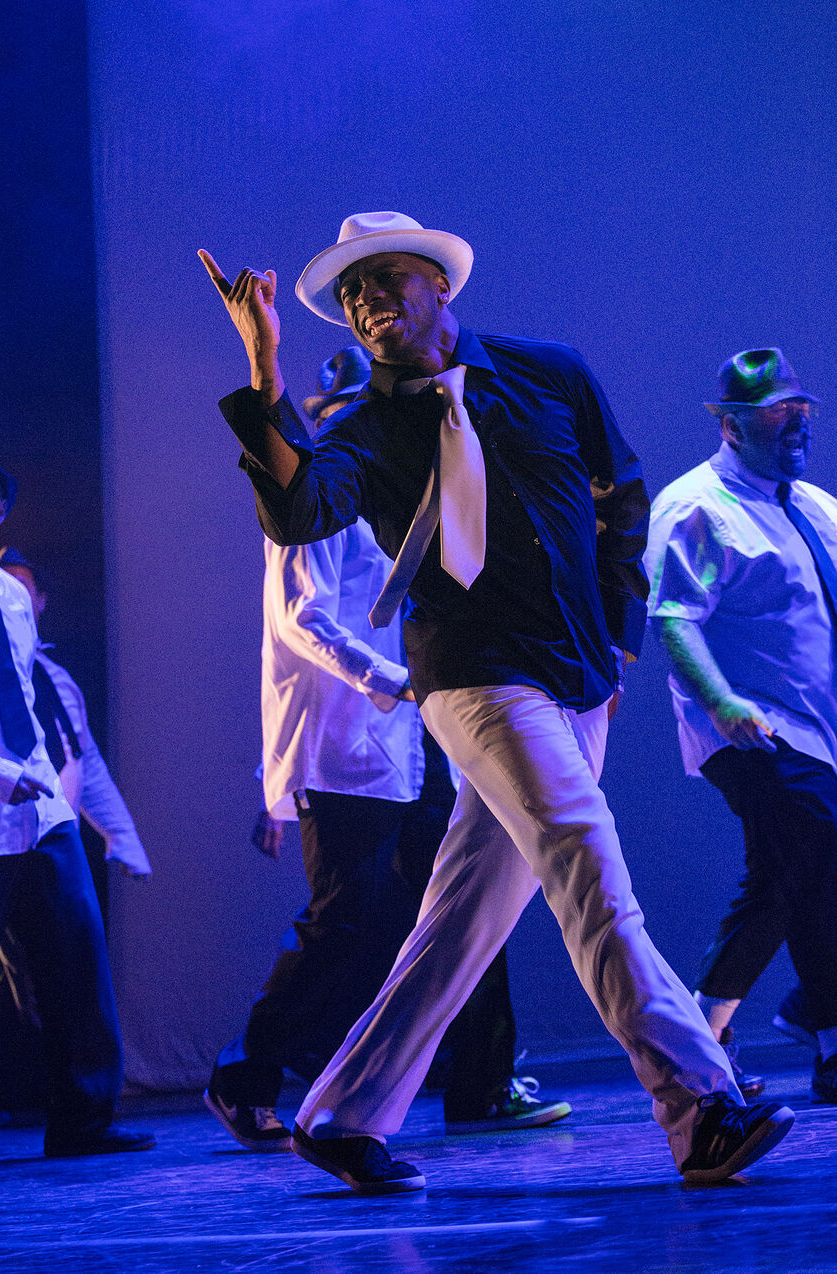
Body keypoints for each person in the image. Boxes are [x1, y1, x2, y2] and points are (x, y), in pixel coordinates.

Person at [198, 211, 793, 1192]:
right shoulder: (367, 428)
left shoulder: (548, 371)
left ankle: (340, 1113)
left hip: (578, 679)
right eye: (352, 294)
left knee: (462, 917)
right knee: (589, 868)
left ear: (441, 285)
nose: (369, 301)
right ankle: (701, 1104)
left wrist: (619, 631)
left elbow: (623, 492)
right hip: (475, 680)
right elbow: (299, 508)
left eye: (386, 278)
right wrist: (262, 362)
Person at [204, 348, 568, 1151]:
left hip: (410, 738)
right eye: (335, 413)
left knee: (466, 901)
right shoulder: (314, 499)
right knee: (349, 920)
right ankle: (247, 1074)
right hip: (346, 747)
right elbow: (304, 618)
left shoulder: (388, 487)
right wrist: (394, 679)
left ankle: (481, 1081)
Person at [646, 347, 837, 1106]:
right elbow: (673, 617)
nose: (795, 424)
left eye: (802, 410)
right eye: (775, 412)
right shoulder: (696, 506)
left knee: (815, 867)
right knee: (802, 853)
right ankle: (700, 1034)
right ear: (728, 425)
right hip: (751, 726)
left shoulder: (816, 504)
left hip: (819, 730)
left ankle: (825, 1037)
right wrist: (724, 702)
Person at [0, 446, 153, 1157]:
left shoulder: (12, 596)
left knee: (76, 953)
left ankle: (84, 1118)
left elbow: (22, 698)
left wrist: (44, 785)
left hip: (39, 808)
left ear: (0, 505)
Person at [0, 547, 152, 880]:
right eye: (1, 587)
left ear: (39, 601)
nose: (11, 598)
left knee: (77, 929)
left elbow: (83, 759)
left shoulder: (57, 682)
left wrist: (123, 835)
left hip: (53, 842)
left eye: (21, 589)